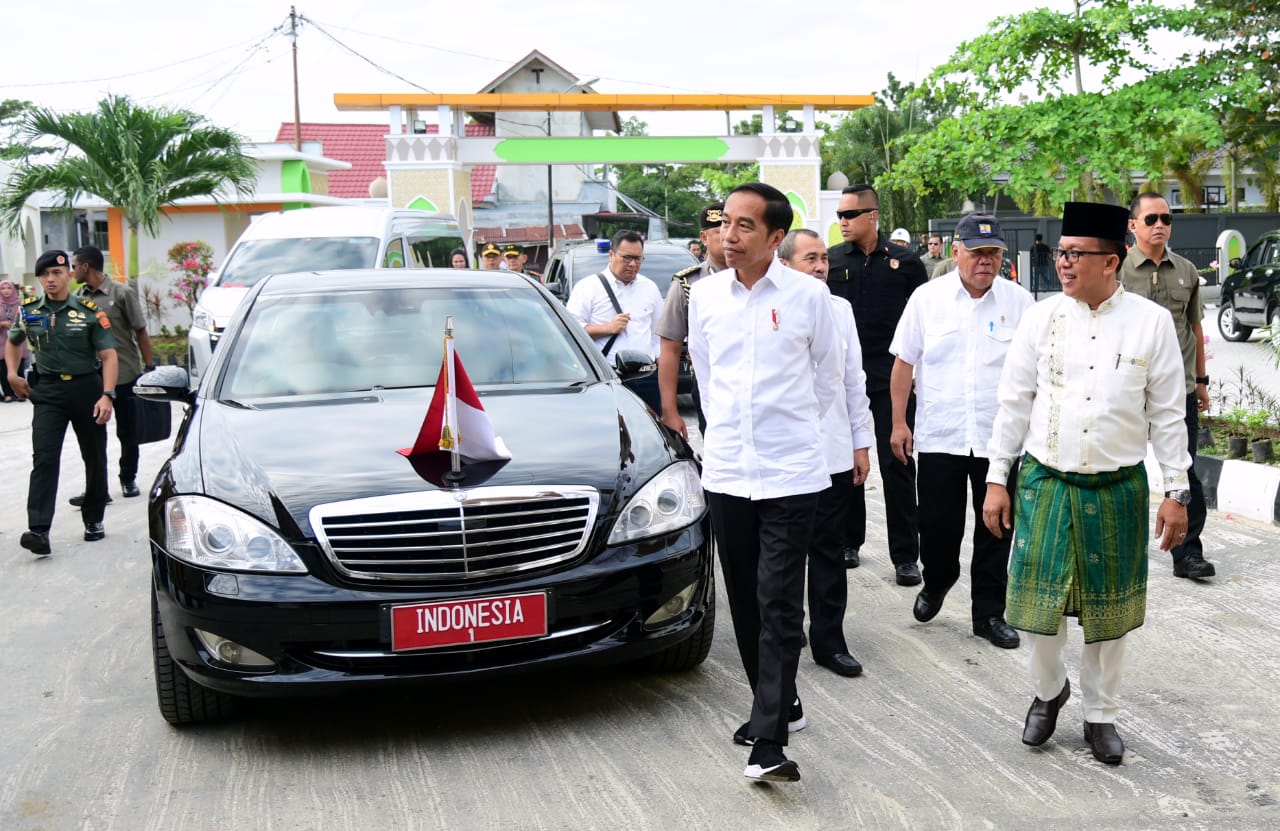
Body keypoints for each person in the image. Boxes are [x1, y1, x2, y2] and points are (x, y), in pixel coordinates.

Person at [982, 201, 1190, 766]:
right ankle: (1049, 690)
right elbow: (1013, 403)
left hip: (1118, 487)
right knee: (1038, 606)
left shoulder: (1150, 323)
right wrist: (997, 479)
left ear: (1111, 261)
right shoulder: (1041, 318)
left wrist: (1177, 491)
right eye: (1061, 252)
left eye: (1076, 254)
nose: (1064, 263)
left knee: (1109, 612)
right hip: (1046, 482)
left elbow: (1168, 414)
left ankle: (1101, 714)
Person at [688, 182, 842, 782]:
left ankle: (769, 741)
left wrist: (789, 431)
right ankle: (776, 702)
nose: (728, 235)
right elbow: (705, 376)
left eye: (744, 225)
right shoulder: (704, 296)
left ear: (776, 237)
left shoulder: (809, 297)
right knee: (746, 600)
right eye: (726, 222)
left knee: (779, 600)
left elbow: (827, 379)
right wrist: (730, 434)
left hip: (789, 472)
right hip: (728, 469)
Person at [887, 214, 1034, 649]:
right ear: (956, 252)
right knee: (936, 525)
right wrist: (899, 422)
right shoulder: (927, 298)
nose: (986, 261)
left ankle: (989, 613)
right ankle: (938, 579)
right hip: (941, 434)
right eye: (977, 253)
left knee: (996, 528)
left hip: (998, 438)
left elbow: (1036, 370)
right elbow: (903, 363)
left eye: (993, 254)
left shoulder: (1020, 302)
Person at [778, 229, 873, 677]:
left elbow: (854, 379)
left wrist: (860, 442)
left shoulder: (840, 309)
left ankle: (829, 641)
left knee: (829, 550)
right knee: (783, 552)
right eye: (810, 258)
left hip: (832, 449)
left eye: (823, 259)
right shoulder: (770, 311)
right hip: (784, 453)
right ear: (784, 264)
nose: (820, 267)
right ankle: (785, 631)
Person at [826, 183, 927, 581]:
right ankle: (848, 541)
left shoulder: (906, 263)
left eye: (850, 214)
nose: (842, 221)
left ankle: (905, 555)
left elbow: (923, 324)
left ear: (872, 216)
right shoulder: (832, 260)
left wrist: (918, 372)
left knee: (897, 461)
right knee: (848, 458)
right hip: (844, 377)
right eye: (839, 215)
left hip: (891, 379)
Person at [1119, 194, 1216, 581]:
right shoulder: (1117, 270)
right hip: (1127, 388)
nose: (1160, 225)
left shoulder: (1186, 271)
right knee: (1120, 468)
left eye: (1166, 218)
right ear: (1133, 225)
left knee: (1184, 467)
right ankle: (1119, 550)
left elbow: (1195, 329)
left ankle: (1187, 554)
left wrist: (1202, 382)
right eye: (1151, 219)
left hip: (1179, 388)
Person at [6, 250, 118, 556]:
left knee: (94, 455)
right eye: (44, 275)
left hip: (86, 389)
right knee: (44, 457)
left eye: (56, 273)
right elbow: (14, 342)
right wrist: (12, 374)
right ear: (39, 279)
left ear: (69, 274)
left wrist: (107, 395)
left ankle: (94, 518)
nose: (50, 279)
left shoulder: (90, 311)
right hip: (48, 392)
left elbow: (109, 356)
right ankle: (38, 530)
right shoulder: (29, 311)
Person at [71, 246, 153, 502]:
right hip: (93, 378)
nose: (72, 272)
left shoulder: (122, 293)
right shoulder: (78, 297)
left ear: (86, 267)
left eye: (74, 266)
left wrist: (149, 367)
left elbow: (140, 330)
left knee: (128, 433)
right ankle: (98, 490)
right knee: (94, 437)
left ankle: (128, 478)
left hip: (126, 373)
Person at [565, 229, 663, 413]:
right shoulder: (588, 287)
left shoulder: (650, 288)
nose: (633, 264)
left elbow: (658, 336)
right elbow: (570, 332)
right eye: (627, 258)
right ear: (611, 255)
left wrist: (662, 375)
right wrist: (607, 328)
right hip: (608, 376)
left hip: (646, 377)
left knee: (649, 427)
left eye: (638, 259)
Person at [657, 202, 725, 438]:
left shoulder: (755, 278)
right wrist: (670, 411)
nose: (728, 237)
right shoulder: (689, 284)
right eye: (719, 232)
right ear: (704, 237)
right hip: (709, 385)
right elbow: (670, 349)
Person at [1, 279, 30, 402]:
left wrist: (25, 292)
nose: (6, 291)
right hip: (2, 341)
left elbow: (32, 308)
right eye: (3, 288)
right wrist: (2, 324)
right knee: (3, 368)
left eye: (9, 288)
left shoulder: (20, 303)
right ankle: (8, 393)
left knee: (19, 367)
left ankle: (20, 392)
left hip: (17, 340)